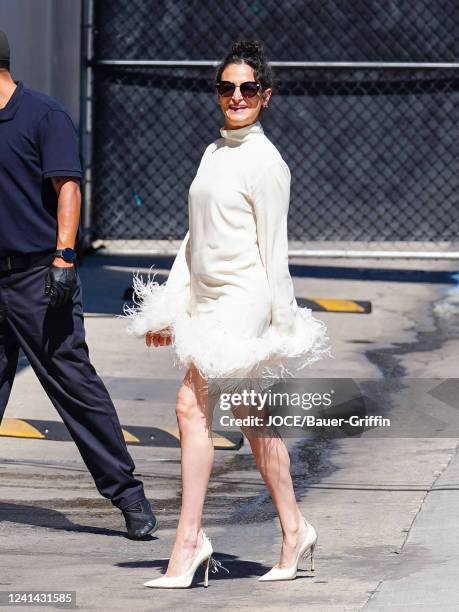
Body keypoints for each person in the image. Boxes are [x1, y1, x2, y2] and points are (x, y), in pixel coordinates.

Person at [126, 40, 330, 586]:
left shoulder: (267, 162)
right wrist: (168, 307)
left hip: (244, 298)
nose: (235, 97)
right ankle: (294, 527)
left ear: (266, 95)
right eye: (225, 87)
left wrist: (283, 326)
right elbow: (194, 239)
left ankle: (189, 542)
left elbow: (275, 252)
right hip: (209, 296)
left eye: (246, 88)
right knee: (250, 415)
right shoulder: (214, 153)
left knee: (189, 405)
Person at [0, 31, 157, 539]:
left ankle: (129, 499)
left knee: (73, 386)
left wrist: (65, 256)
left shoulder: (44, 116)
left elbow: (67, 186)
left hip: (38, 278)